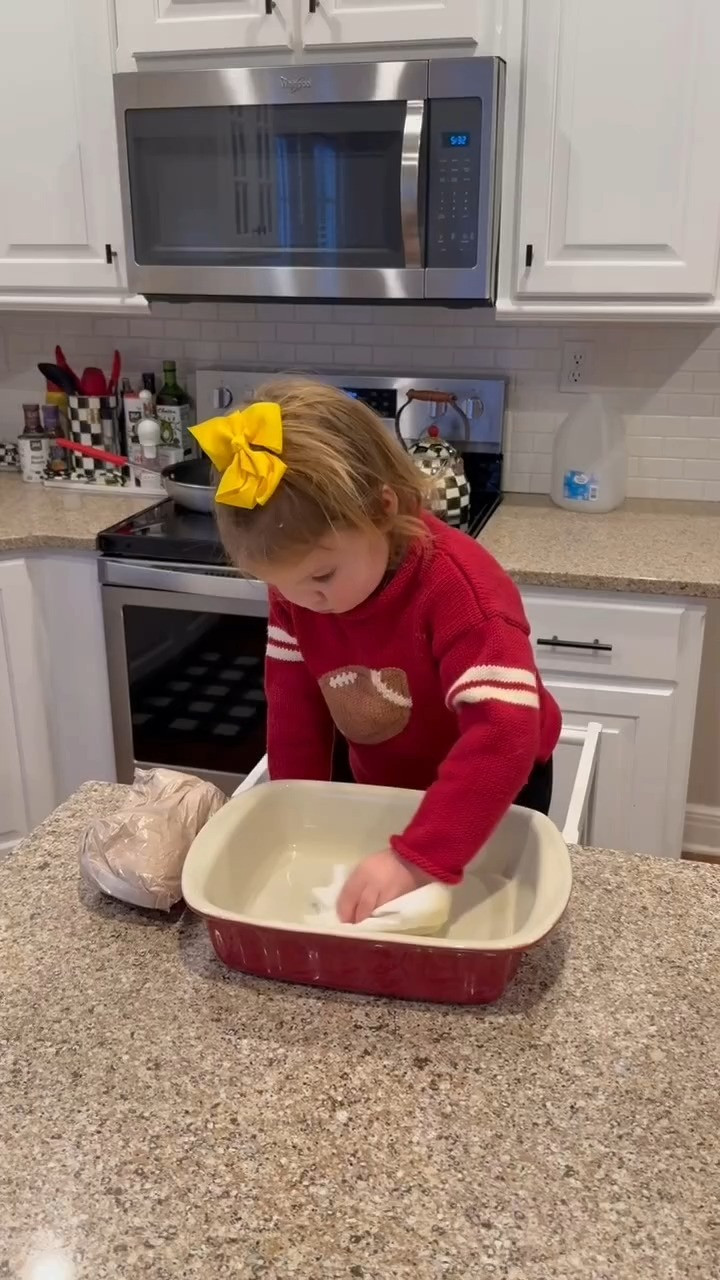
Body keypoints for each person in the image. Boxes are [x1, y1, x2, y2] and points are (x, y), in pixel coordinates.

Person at [191, 379, 562, 926]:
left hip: (495, 786)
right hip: (386, 778)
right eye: (279, 584)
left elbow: (504, 734)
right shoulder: (301, 588)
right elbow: (295, 706)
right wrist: (298, 812)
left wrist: (417, 859)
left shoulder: (463, 592)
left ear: (383, 509)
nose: (301, 601)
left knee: (469, 918)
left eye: (321, 576)